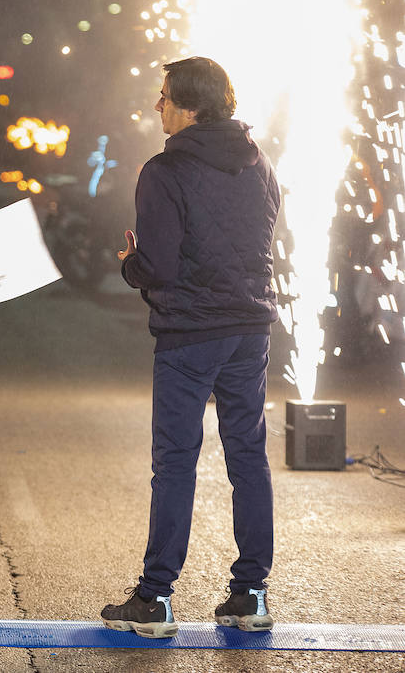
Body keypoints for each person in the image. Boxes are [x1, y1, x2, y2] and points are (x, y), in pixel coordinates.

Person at [101, 57, 281, 637]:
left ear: (189, 105)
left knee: (175, 462)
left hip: (188, 335)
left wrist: (131, 264)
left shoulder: (164, 170)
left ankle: (155, 599)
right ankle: (250, 595)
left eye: (164, 98)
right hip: (250, 328)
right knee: (247, 457)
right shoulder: (259, 163)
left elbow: (159, 265)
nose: (157, 107)